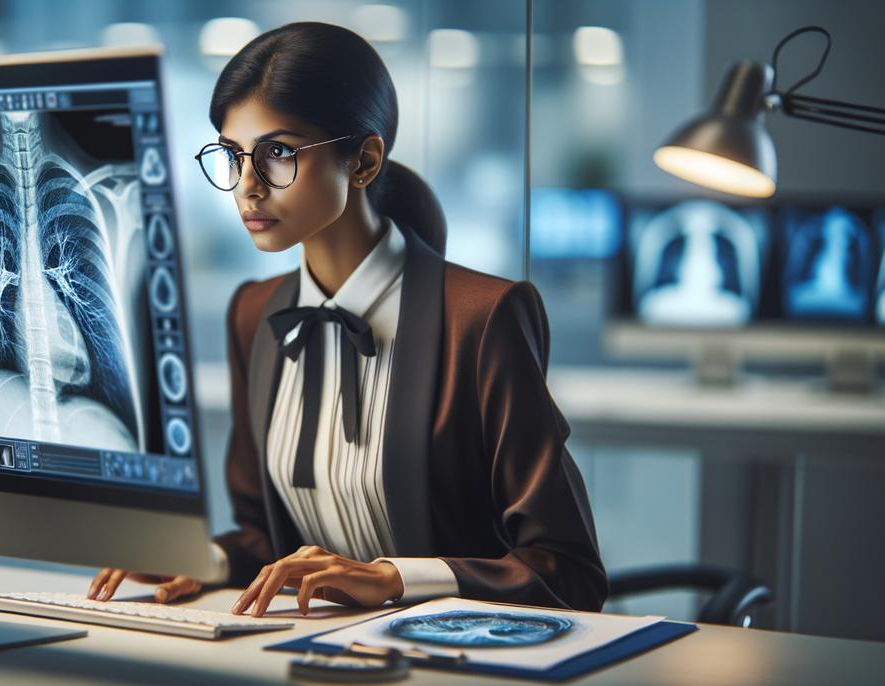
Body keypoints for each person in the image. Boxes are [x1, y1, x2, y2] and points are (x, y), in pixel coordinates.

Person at [89, 21, 607, 618]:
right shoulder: (255, 313)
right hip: (303, 645)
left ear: (363, 161)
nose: (247, 187)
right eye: (232, 155)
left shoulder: (483, 316)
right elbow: (265, 537)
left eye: (278, 153)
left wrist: (392, 578)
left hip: (453, 651)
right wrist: (204, 558)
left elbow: (567, 572)